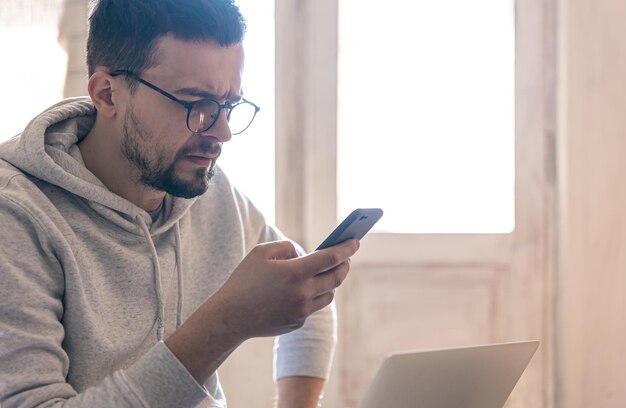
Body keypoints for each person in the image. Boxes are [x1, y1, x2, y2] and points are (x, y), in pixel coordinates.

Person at [0, 0, 359, 407]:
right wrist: (225, 324)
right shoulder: (16, 216)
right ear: (107, 94)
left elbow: (307, 301)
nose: (221, 131)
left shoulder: (205, 189)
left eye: (228, 104)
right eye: (196, 104)